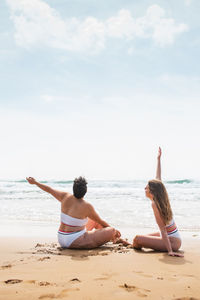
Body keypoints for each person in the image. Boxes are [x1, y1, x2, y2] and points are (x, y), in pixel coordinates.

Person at [26, 176, 121, 249]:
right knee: (111, 230)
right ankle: (116, 238)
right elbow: (101, 222)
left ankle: (115, 238)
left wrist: (35, 182)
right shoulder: (86, 206)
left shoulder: (65, 196)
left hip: (61, 238)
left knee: (94, 222)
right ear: (85, 191)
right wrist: (114, 231)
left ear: (73, 188)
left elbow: (49, 190)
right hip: (74, 241)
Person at [133, 147, 184, 257]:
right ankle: (128, 244)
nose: (144, 189)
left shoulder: (155, 204)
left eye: (146, 188)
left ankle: (132, 245)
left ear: (152, 191)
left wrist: (170, 251)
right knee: (141, 237)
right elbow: (158, 178)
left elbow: (163, 230)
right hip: (174, 238)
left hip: (172, 242)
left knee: (137, 239)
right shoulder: (162, 199)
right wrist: (158, 159)